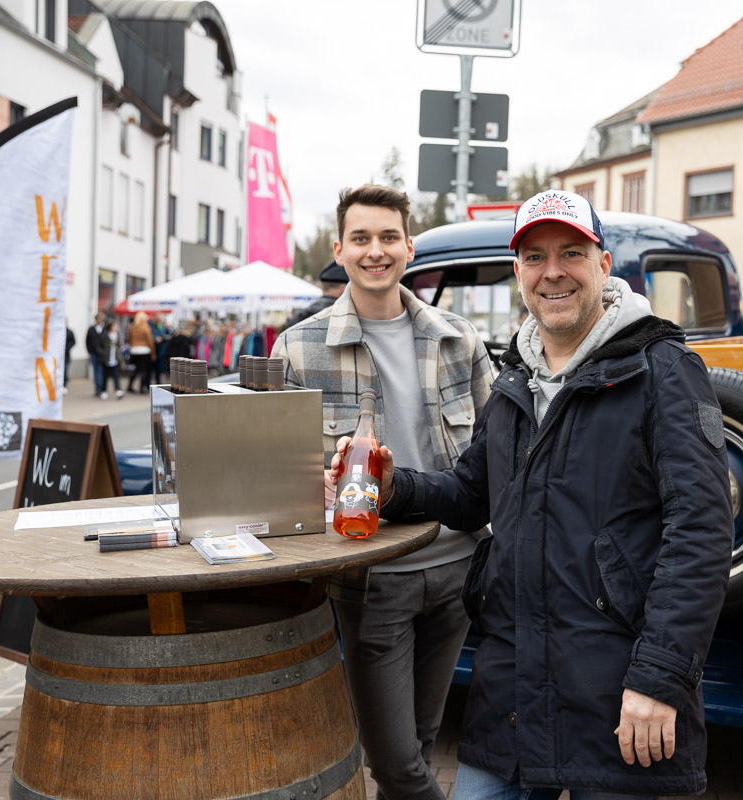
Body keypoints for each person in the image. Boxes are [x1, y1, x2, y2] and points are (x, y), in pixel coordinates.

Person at [331, 190, 734, 799]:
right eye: (535, 257)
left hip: (618, 691)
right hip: (513, 692)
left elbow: (702, 532)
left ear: (603, 265)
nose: (553, 272)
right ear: (518, 272)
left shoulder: (662, 370)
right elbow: (472, 492)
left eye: (571, 253)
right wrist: (394, 486)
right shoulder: (515, 377)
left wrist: (659, 678)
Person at [270, 184, 494, 800]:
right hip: (372, 579)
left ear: (409, 248)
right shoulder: (298, 348)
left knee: (420, 743)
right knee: (395, 762)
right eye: (361, 238)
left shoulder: (459, 339)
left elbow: (498, 453)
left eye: (389, 237)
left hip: (456, 567)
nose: (376, 251)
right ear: (338, 249)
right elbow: (277, 476)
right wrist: (313, 482)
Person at [126, 311, 155, 394]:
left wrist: (132, 347)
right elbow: (150, 341)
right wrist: (153, 353)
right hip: (144, 350)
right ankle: (142, 388)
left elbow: (129, 339)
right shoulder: (146, 327)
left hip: (134, 350)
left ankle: (130, 386)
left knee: (135, 370)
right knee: (144, 370)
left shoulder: (132, 327)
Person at [96, 319, 125, 399]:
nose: (115, 327)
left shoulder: (117, 335)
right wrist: (102, 353)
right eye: (113, 326)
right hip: (106, 358)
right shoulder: (104, 335)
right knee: (105, 376)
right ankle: (104, 391)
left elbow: (121, 345)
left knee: (116, 376)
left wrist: (120, 353)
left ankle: (118, 390)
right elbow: (99, 346)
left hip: (115, 358)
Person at [85, 312, 106, 396]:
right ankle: (98, 388)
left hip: (103, 354)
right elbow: (87, 341)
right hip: (94, 353)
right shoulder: (91, 329)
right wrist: (90, 351)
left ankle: (102, 388)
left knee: (101, 371)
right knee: (96, 371)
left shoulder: (105, 329)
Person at [63, 321, 75, 395]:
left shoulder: (69, 332)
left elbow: (73, 341)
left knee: (65, 371)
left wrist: (66, 348)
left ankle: (64, 385)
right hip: (58, 357)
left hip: (66, 355)